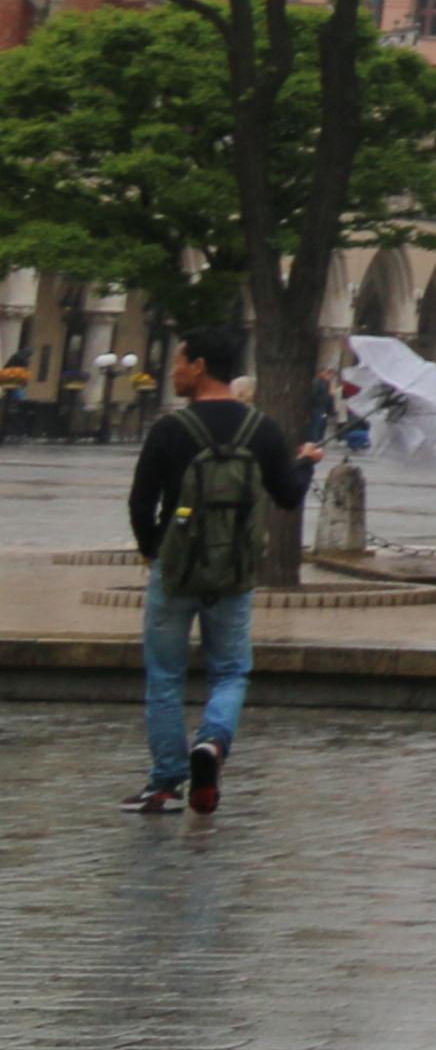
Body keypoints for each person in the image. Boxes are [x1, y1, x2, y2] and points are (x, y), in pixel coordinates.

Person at [123, 319, 309, 816]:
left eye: (180, 362)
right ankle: (212, 744)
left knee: (165, 675)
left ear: (200, 367)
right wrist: (306, 462)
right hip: (233, 571)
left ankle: (165, 783)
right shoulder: (262, 429)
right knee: (230, 670)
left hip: (176, 566)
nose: (174, 372)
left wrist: (151, 549)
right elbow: (288, 497)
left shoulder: (169, 429)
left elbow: (141, 503)